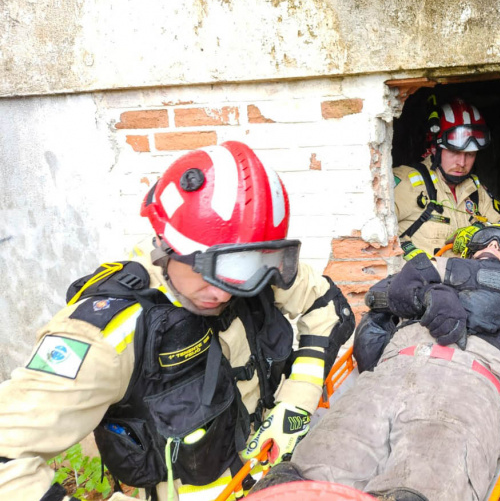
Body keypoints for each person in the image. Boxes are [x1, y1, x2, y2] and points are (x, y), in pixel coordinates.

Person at [0, 141, 355, 501]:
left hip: (272, 481)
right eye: (209, 271)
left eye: (241, 270)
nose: (224, 293)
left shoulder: (249, 266)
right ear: (166, 247)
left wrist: (297, 400)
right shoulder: (109, 334)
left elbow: (327, 307)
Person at [253, 224, 500, 501]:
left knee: (423, 485)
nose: (494, 246)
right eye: (485, 239)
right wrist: (429, 298)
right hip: (389, 373)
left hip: (466, 384)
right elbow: (379, 294)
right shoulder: (437, 267)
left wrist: (429, 278)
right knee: (308, 475)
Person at [393, 96, 500, 260]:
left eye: (470, 154)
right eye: (454, 152)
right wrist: (413, 258)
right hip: (423, 276)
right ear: (435, 149)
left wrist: (482, 230)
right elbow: (372, 234)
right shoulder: (408, 182)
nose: (462, 163)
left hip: (467, 276)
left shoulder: (475, 189)